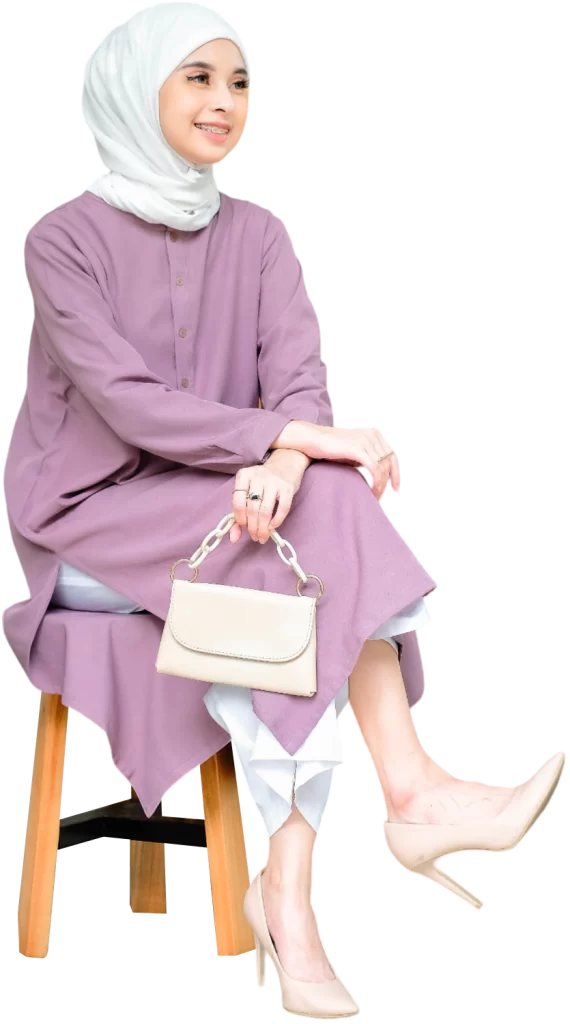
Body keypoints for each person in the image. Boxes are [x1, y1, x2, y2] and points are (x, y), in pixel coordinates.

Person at [2, 3, 564, 1018]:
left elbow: (301, 380)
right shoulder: (63, 239)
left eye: (240, 82)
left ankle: (303, 881)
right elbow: (129, 405)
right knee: (301, 537)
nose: (225, 101)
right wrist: (288, 445)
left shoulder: (260, 233)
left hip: (223, 501)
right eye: (198, 78)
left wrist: (292, 460)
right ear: (135, 88)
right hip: (89, 515)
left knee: (310, 518)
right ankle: (397, 806)